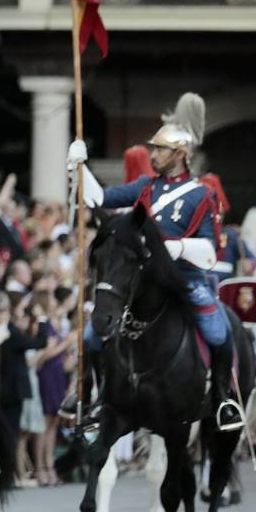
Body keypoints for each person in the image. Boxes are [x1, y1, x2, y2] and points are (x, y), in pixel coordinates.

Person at [68, 93, 243, 430]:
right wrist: (80, 166)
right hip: (142, 280)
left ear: (179, 155)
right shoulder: (145, 186)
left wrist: (172, 248)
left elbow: (209, 250)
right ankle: (94, 396)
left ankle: (223, 399)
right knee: (93, 334)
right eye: (154, 148)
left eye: (161, 150)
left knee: (219, 332)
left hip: (184, 278)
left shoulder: (200, 193)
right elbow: (99, 198)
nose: (153, 154)